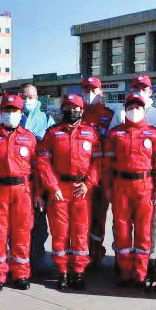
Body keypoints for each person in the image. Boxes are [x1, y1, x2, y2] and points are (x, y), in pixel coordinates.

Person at [36, 94, 101, 291]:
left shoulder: (91, 133)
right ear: (62, 110)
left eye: (75, 108)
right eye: (68, 108)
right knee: (60, 233)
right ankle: (62, 271)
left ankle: (78, 272)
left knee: (80, 232)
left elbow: (98, 161)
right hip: (59, 190)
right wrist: (52, 186)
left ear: (82, 110)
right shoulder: (53, 133)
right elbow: (43, 162)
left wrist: (89, 183)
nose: (71, 111)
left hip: (82, 190)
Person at [104, 94, 156, 286]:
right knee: (122, 228)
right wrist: (108, 187)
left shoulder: (152, 134)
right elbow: (107, 164)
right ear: (125, 110)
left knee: (143, 229)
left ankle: (140, 273)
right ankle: (124, 272)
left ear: (143, 110)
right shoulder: (115, 134)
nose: (134, 111)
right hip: (120, 186)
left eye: (137, 107)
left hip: (144, 186)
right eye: (130, 108)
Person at [0, 93, 37, 292]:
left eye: (14, 110)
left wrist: (37, 193)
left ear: (21, 113)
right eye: (7, 110)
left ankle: (21, 274)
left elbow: (38, 169)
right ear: (1, 112)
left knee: (22, 233)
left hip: (22, 191)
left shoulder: (29, 138)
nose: (10, 114)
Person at [108, 74, 156, 260]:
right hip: (122, 181)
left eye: (144, 88)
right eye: (136, 88)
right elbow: (110, 145)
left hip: (146, 181)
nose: (140, 91)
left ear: (150, 91)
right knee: (121, 222)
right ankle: (121, 259)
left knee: (148, 222)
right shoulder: (120, 113)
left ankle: (146, 258)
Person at [19, 83, 56, 275]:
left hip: (40, 179)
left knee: (40, 224)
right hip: (19, 180)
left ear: (37, 99)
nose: (27, 101)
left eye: (31, 97)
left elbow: (53, 152)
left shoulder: (47, 120)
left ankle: (38, 260)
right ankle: (19, 261)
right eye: (24, 97)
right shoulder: (13, 116)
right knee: (19, 224)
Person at [81, 76, 114, 268]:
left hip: (102, 176)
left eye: (93, 90)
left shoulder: (109, 116)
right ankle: (80, 255)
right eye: (86, 90)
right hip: (80, 176)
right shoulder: (76, 113)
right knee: (81, 217)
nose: (90, 94)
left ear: (101, 92)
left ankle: (95, 254)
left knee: (99, 217)